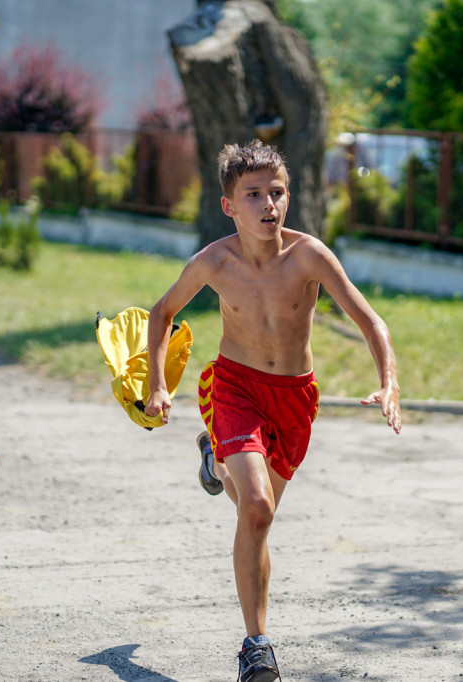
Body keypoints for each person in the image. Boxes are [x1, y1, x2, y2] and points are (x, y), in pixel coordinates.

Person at [145, 139, 401, 682]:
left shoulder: (309, 256)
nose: (268, 204)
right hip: (234, 387)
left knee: (254, 513)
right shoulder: (214, 261)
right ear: (228, 206)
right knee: (257, 508)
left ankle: (214, 461)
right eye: (254, 194)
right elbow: (162, 312)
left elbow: (371, 321)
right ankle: (256, 647)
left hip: (294, 399)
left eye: (277, 192)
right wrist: (157, 386)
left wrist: (389, 382)